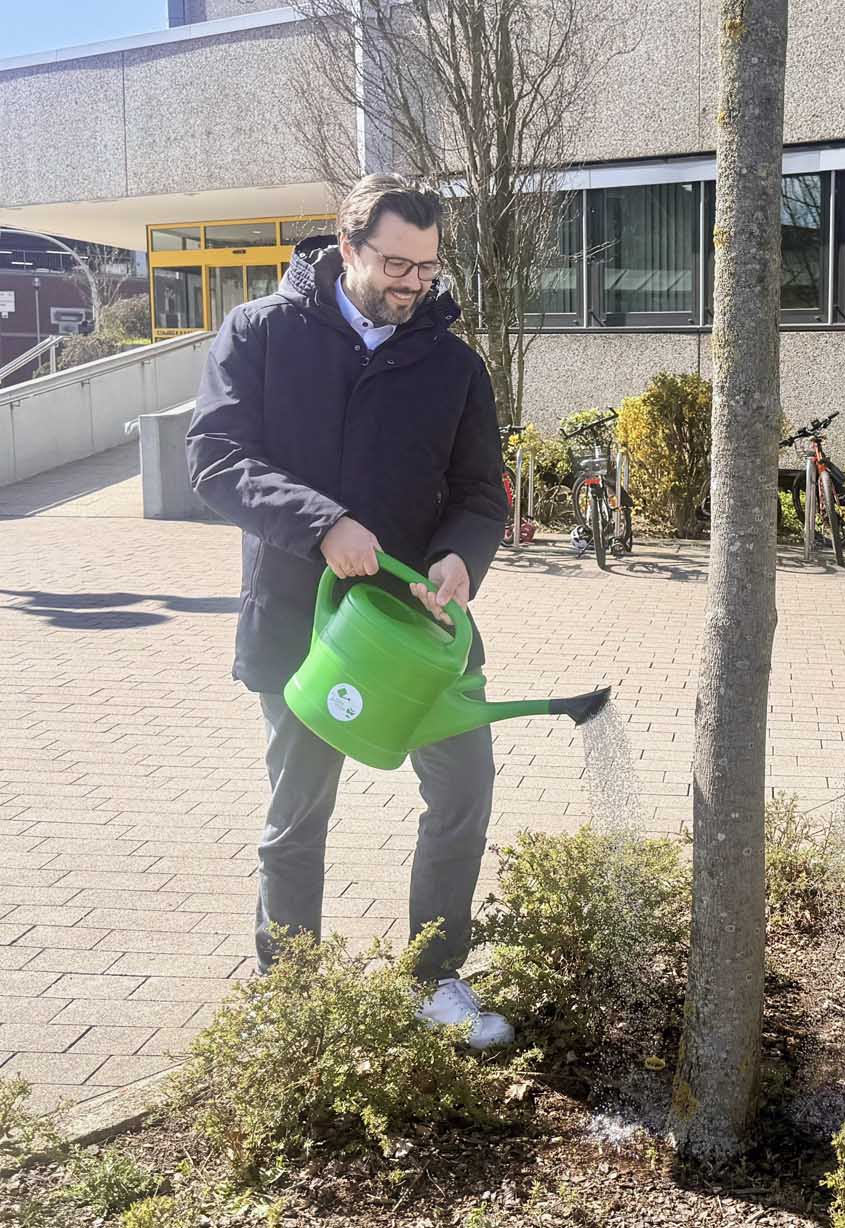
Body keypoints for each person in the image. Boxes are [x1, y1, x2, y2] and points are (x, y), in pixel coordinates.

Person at [187, 174, 514, 1049]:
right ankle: (292, 1001)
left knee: (464, 794)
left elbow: (484, 493)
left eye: (429, 268)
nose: (414, 285)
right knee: (298, 817)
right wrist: (321, 525)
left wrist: (459, 556)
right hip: (303, 625)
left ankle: (436, 978)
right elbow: (214, 459)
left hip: (422, 633)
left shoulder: (453, 363)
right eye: (396, 264)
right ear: (348, 249)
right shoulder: (261, 334)